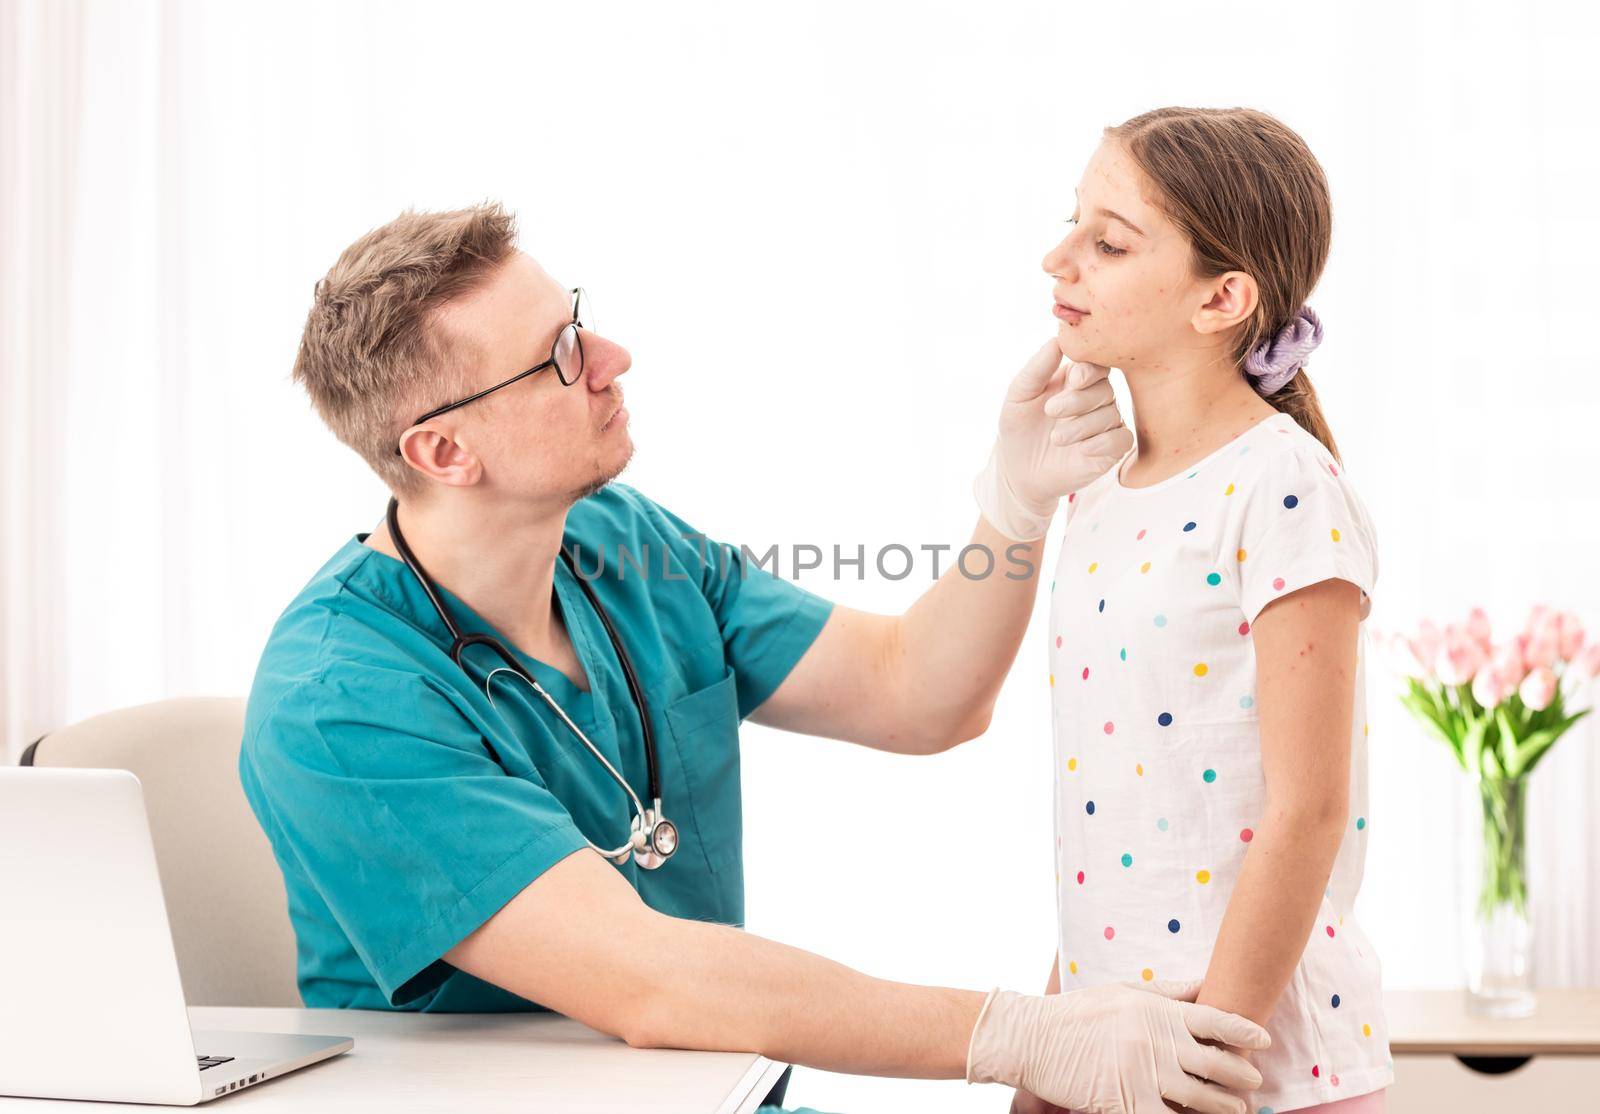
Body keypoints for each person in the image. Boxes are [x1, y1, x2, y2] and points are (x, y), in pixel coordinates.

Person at [238, 202, 1272, 1113]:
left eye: (582, 324)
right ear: (443, 452)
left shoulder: (623, 544)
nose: (613, 360)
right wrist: (1020, 1034)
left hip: (715, 1094)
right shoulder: (338, 698)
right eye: (560, 355)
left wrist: (1013, 504)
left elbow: (919, 693)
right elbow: (651, 982)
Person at [1010, 107, 1392, 1114]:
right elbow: (1129, 816)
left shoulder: (1283, 485)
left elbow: (1306, 810)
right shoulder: (1096, 494)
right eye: (1071, 225)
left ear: (1222, 297)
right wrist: (1056, 1040)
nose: (1059, 259)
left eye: (1107, 242)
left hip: (1249, 1077)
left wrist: (1199, 1069)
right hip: (1110, 1058)